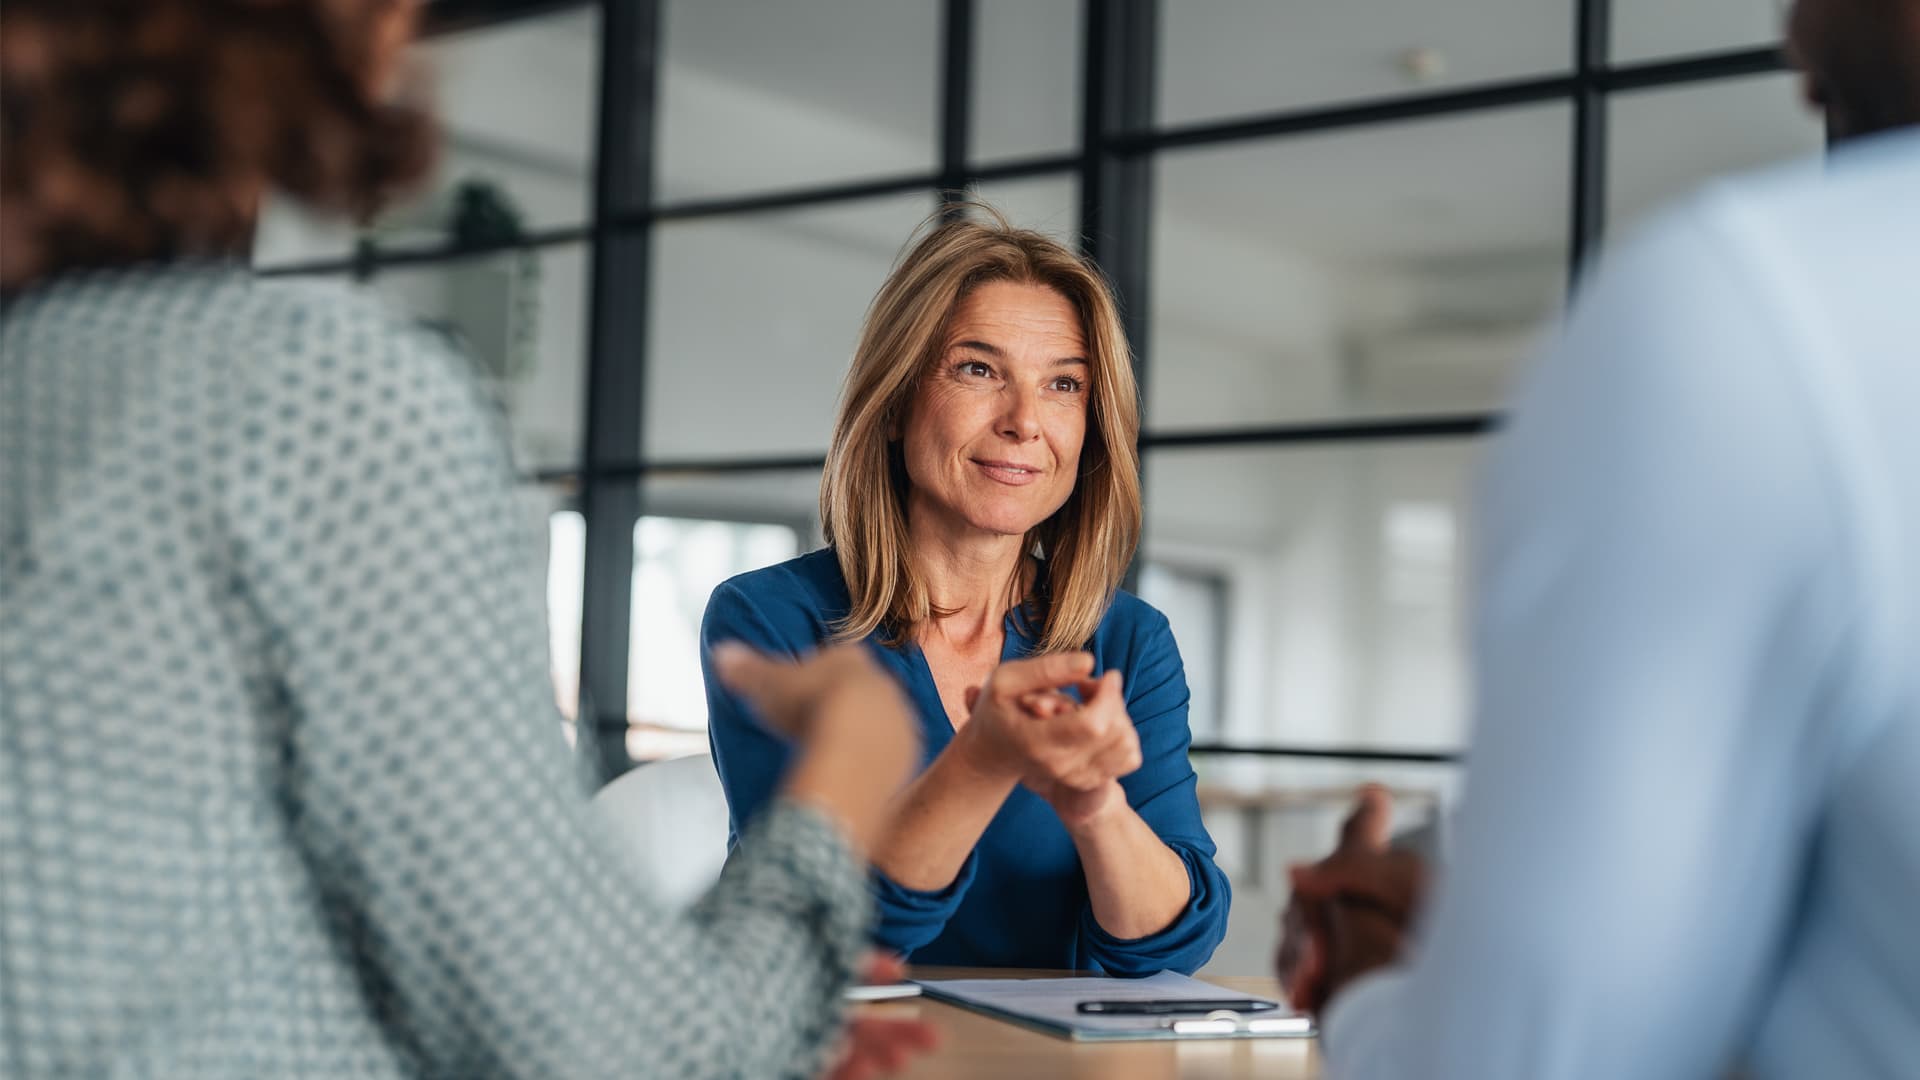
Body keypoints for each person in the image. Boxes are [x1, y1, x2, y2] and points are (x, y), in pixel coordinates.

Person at [0, 2, 935, 1077]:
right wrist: (849, 770)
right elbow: (630, 1058)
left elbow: (201, 941)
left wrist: (772, 1013)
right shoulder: (310, 401)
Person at [1275, 2, 1920, 1076]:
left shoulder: (1753, 309)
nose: (1796, 45)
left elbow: (1533, 1065)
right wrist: (1480, 943)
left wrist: (1376, 988)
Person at [702, 212, 1231, 974]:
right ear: (892, 403)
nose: (1023, 422)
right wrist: (984, 759)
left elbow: (1174, 941)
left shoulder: (1128, 640)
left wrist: (1095, 806)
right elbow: (822, 928)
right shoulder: (768, 618)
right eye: (978, 369)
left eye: (1063, 384)